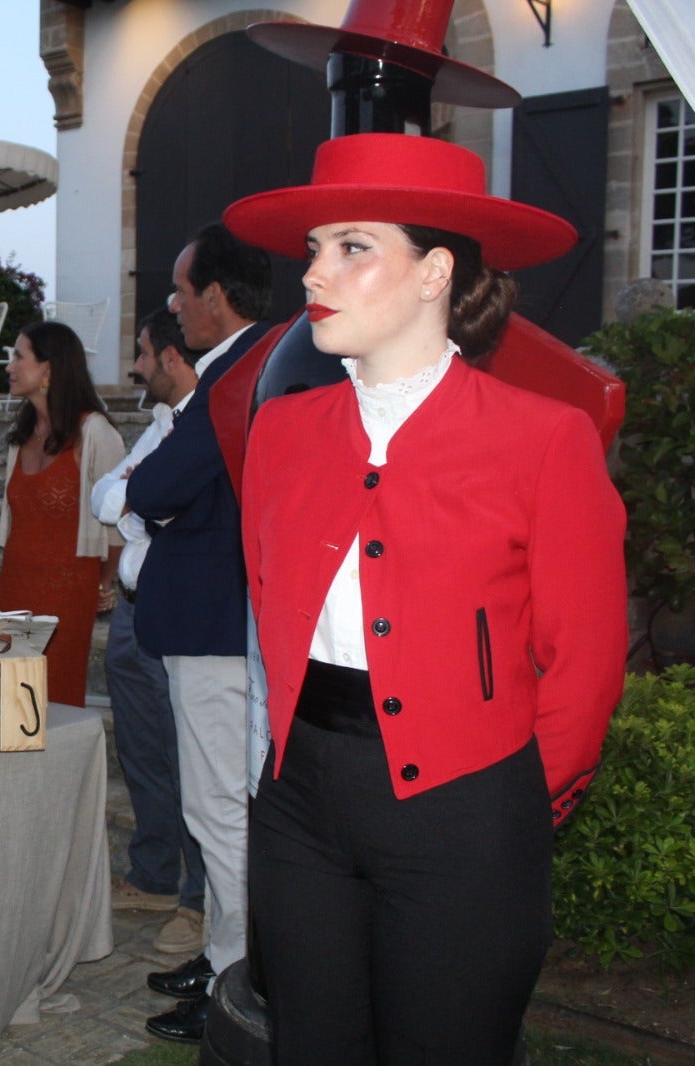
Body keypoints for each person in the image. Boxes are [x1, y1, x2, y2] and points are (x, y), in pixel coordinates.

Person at [225, 132, 626, 1062]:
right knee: (310, 1045)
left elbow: (585, 660)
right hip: (299, 802)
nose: (314, 273)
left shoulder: (543, 437)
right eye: (314, 249)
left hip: (468, 810)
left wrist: (512, 809)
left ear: (435, 271)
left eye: (352, 247)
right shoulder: (281, 429)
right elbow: (269, 597)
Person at [127, 222, 272, 1044]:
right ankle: (224, 956)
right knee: (215, 807)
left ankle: (237, 985)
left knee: (219, 810)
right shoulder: (243, 369)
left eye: (182, 292)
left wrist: (162, 502)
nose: (175, 307)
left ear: (215, 296)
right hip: (216, 621)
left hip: (219, 629)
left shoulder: (237, 375)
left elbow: (153, 487)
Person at [90, 310, 206, 955]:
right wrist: (134, 498)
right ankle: (155, 876)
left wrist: (137, 499)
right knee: (141, 753)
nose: (134, 367)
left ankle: (199, 901)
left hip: (173, 611)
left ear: (170, 357)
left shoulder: (202, 426)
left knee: (188, 758)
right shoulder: (160, 424)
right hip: (131, 611)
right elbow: (106, 499)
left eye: (141, 354)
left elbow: (152, 508)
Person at [0, 319, 124, 708]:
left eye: (19, 357)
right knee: (7, 700)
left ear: (48, 369)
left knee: (56, 701)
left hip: (68, 595)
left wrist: (102, 584)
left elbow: (119, 522)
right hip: (14, 587)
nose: (9, 366)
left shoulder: (94, 431)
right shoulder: (21, 436)